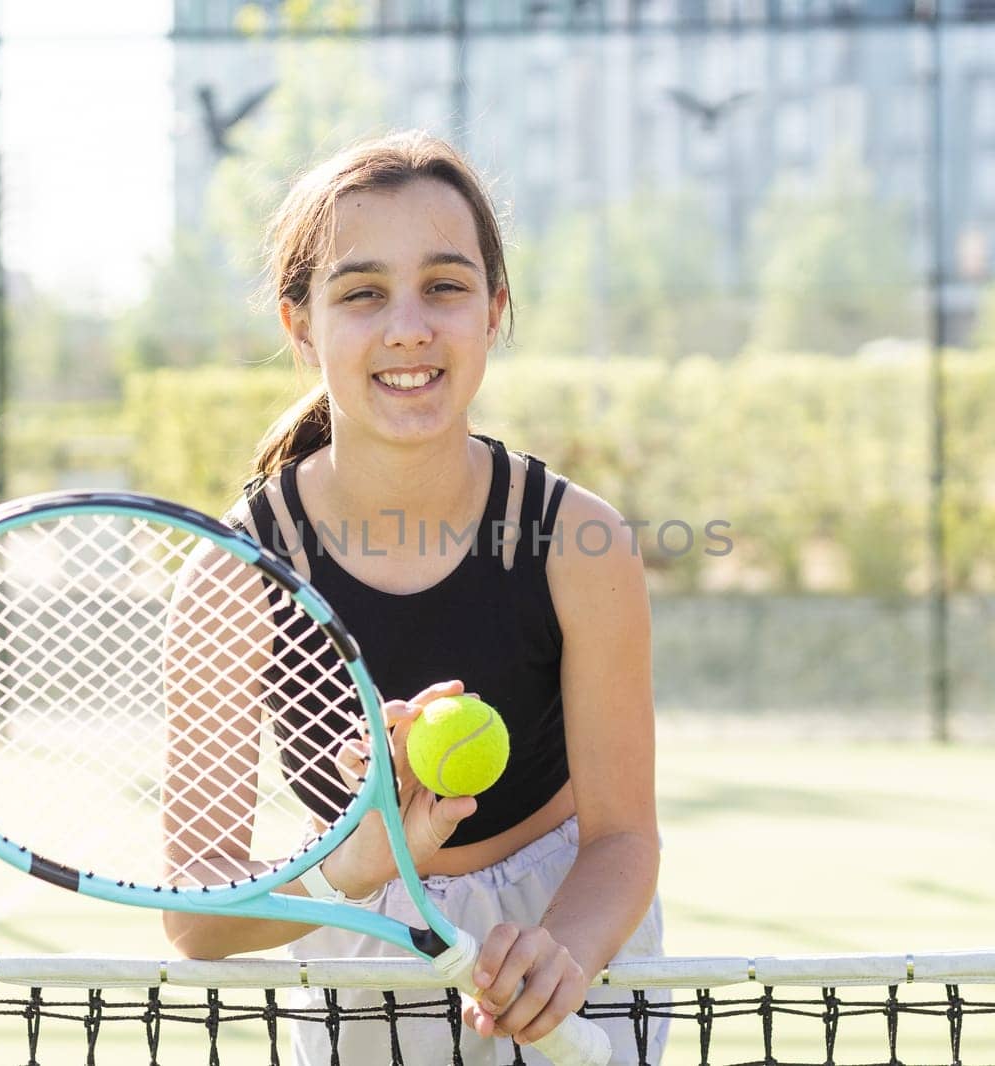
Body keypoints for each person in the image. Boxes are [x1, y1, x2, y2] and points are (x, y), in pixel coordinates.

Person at [163, 130, 666, 1065]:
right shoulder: (236, 573)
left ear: (494, 310)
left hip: (566, 933)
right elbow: (198, 915)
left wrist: (565, 951)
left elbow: (625, 839)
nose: (408, 327)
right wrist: (346, 876)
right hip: (359, 951)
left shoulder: (579, 543)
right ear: (300, 326)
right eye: (361, 293)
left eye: (445, 286)